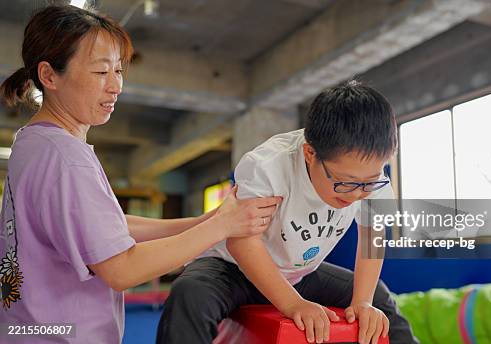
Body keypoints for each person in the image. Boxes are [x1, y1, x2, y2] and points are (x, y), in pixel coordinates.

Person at [0, 5, 281, 343]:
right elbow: (122, 268)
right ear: (48, 76)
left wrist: (208, 220)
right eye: (101, 72)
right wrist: (223, 226)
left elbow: (110, 226)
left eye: (118, 70)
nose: (116, 85)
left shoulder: (31, 142)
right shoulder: (65, 157)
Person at [157, 80, 419, 344]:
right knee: (189, 293)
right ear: (309, 153)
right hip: (232, 267)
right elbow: (241, 241)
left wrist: (362, 302)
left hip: (299, 274)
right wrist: (293, 304)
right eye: (344, 182)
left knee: (379, 299)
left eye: (368, 183)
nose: (355, 194)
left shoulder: (371, 176)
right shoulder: (268, 166)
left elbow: (372, 237)